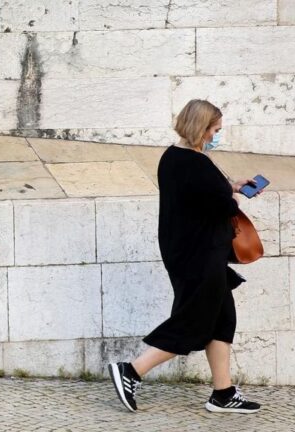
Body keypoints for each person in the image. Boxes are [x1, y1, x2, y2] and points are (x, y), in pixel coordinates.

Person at [108, 99, 260, 413]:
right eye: (215, 129)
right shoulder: (195, 163)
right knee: (195, 320)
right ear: (201, 128)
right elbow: (222, 206)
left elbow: (199, 198)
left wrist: (230, 186)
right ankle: (131, 370)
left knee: (221, 320)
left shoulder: (175, 157)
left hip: (193, 252)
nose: (217, 134)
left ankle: (223, 393)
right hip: (199, 255)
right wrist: (232, 195)